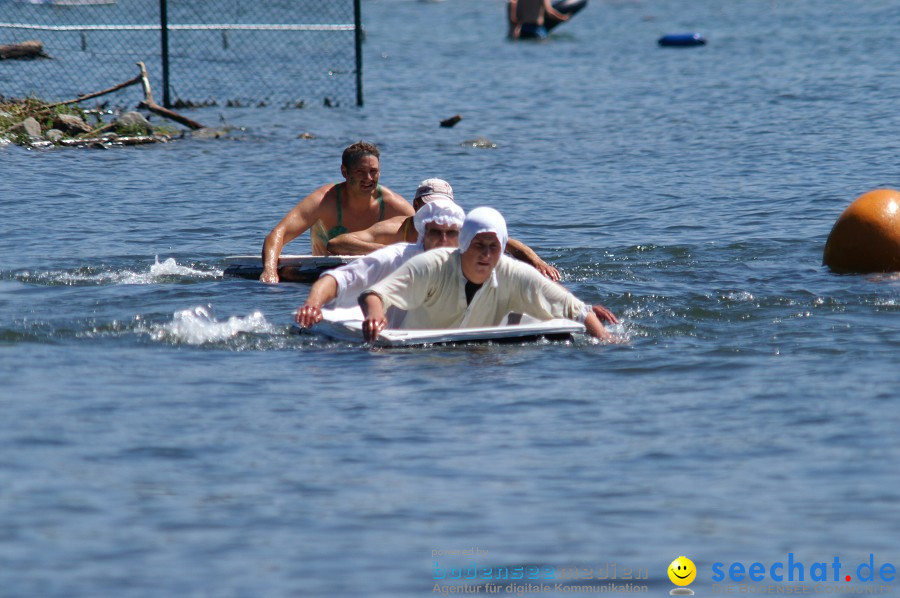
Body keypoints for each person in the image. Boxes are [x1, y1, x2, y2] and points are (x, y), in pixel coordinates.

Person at [358, 207, 617, 343]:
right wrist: (375, 315)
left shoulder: (512, 272)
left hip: (478, 356)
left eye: (493, 248)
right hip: (420, 356)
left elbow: (577, 310)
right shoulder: (432, 264)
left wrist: (607, 343)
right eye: (478, 246)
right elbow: (373, 294)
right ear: (464, 245)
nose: (485, 255)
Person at [327, 178, 562, 281]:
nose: (438, 216)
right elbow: (336, 243)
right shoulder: (396, 228)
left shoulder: (459, 225)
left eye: (443, 207)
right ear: (416, 206)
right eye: (431, 207)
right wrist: (391, 250)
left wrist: (538, 263)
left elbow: (508, 242)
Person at [295, 198, 466, 328]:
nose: (443, 241)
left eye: (451, 233)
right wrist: (312, 305)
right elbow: (336, 279)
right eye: (436, 233)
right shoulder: (396, 256)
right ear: (423, 234)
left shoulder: (471, 263)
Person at [259, 141, 414, 283]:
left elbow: (426, 238)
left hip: (373, 278)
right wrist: (270, 271)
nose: (368, 178)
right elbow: (278, 234)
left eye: (373, 171)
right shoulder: (324, 201)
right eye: (360, 172)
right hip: (322, 277)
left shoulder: (395, 206)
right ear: (344, 172)